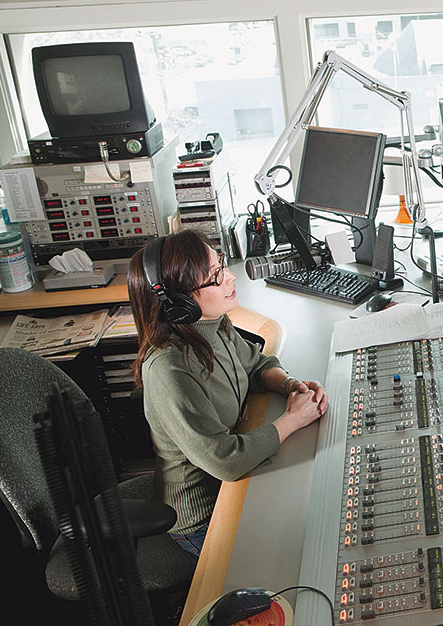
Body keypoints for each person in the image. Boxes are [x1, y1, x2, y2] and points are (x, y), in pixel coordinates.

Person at [128, 230, 327, 556]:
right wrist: (293, 419)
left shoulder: (212, 324)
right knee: (305, 544)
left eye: (220, 265)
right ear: (179, 303)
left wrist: (290, 384)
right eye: (215, 276)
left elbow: (255, 364)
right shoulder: (169, 369)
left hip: (235, 483)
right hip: (204, 516)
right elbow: (226, 461)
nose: (230, 276)